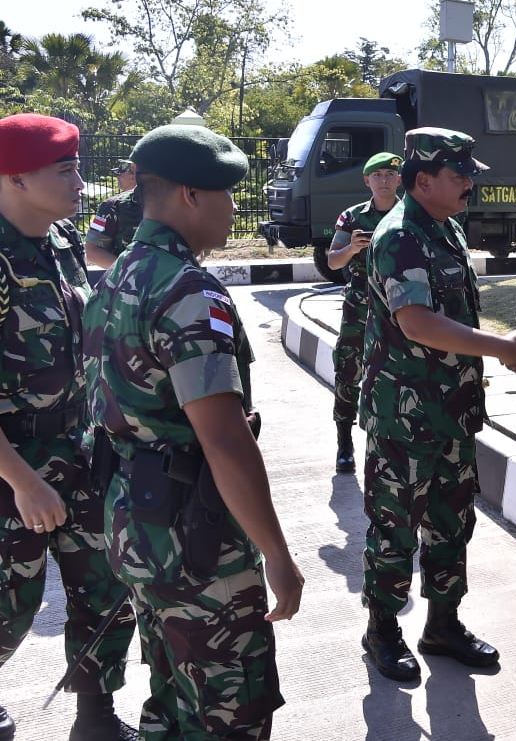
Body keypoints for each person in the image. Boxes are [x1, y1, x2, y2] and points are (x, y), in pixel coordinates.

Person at [84, 124, 304, 739]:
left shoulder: (119, 276)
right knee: (230, 711)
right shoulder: (187, 291)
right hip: (198, 546)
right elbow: (225, 440)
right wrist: (278, 556)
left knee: (172, 698)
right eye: (226, 195)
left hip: (138, 530)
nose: (234, 209)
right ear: (188, 195)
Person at [359, 127, 516, 683]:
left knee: (451, 521)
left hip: (452, 409)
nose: (470, 183)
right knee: (393, 527)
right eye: (460, 175)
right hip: (404, 417)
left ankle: (442, 624)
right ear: (423, 180)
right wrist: (503, 346)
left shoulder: (445, 230)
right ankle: (382, 630)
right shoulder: (400, 236)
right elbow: (417, 322)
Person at [0, 113, 138, 741]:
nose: (81, 179)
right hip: (12, 467)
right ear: (16, 179)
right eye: (66, 169)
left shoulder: (60, 243)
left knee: (104, 590)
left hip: (81, 451)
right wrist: (24, 482)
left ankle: (96, 718)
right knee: (10, 606)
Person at [325, 151, 402, 473]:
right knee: (348, 370)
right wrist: (351, 248)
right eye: (377, 175)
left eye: (390, 174)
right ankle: (344, 441)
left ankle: (392, 441)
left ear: (399, 179)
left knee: (396, 374)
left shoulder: (409, 214)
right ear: (366, 180)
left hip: (398, 307)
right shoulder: (352, 217)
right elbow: (333, 261)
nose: (384, 181)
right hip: (359, 306)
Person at [85, 159, 142, 269]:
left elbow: (91, 251)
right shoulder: (110, 206)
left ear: (133, 175)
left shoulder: (110, 205)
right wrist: (128, 272)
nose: (117, 178)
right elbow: (92, 251)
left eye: (120, 174)